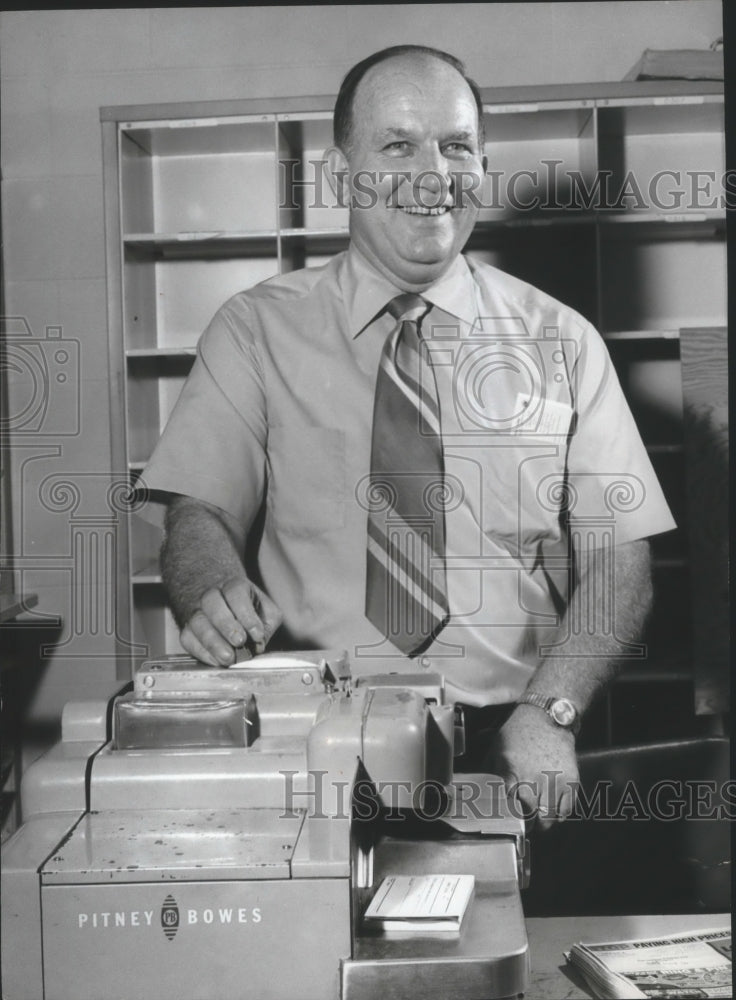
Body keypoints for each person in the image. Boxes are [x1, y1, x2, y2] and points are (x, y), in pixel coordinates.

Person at [138, 45, 675, 828]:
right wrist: (210, 583)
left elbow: (621, 558)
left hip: (507, 744)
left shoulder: (564, 342)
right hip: (309, 745)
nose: (433, 175)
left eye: (456, 145)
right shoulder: (255, 331)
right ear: (339, 175)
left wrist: (552, 712)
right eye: (397, 145)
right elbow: (198, 515)